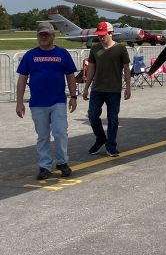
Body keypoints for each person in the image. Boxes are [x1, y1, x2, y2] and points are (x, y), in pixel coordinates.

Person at [15, 22, 78, 180]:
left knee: (60, 132)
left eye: (46, 34)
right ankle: (44, 166)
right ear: (37, 36)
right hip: (37, 103)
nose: (43, 37)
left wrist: (73, 96)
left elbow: (70, 76)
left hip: (58, 101)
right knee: (42, 135)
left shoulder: (62, 54)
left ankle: (62, 162)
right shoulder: (30, 55)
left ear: (53, 36)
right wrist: (19, 102)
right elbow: (22, 79)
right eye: (41, 34)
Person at [82, 21, 131, 157]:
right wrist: (86, 87)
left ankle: (111, 145)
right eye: (99, 35)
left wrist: (128, 87)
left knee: (113, 119)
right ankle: (100, 138)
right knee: (92, 115)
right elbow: (91, 68)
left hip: (114, 90)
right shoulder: (95, 48)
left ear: (111, 33)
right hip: (97, 89)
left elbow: (126, 68)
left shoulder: (120, 49)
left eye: (103, 35)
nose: (101, 37)